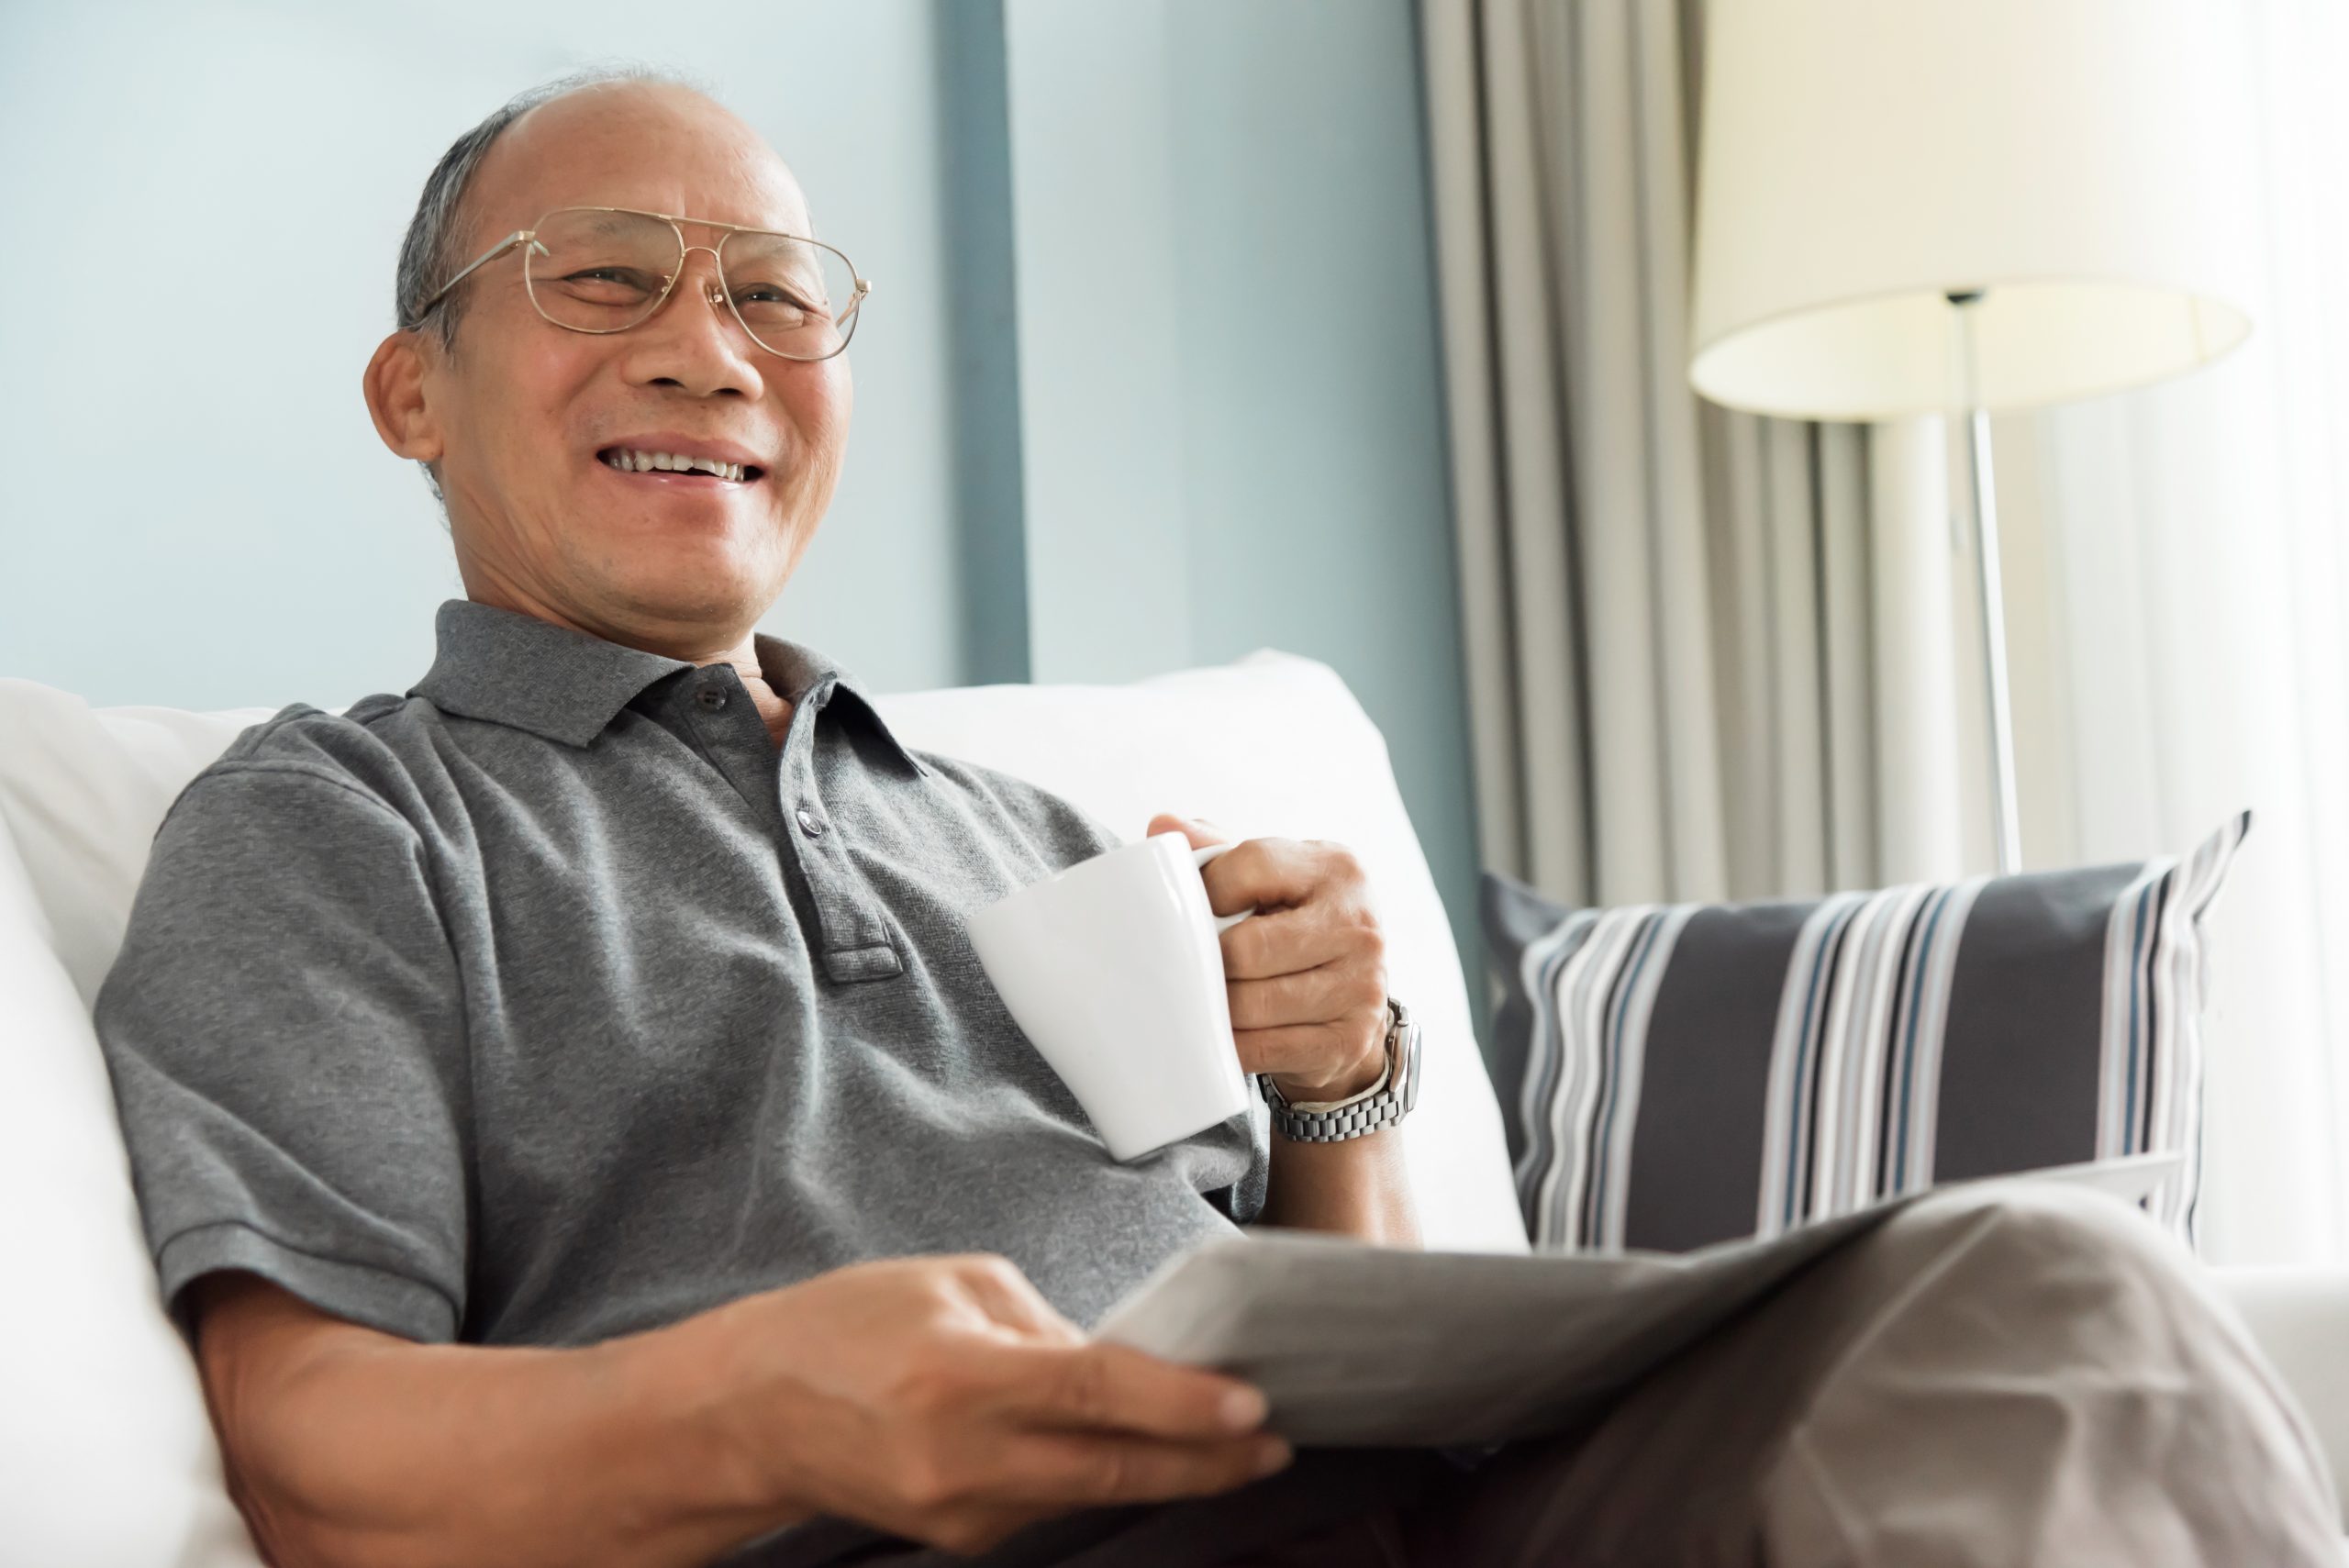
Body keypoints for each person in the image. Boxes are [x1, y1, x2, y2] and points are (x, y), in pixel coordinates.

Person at [93, 72, 2342, 1568]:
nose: (712, 350)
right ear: (415, 390)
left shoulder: (1029, 824)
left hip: (1386, 1507)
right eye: (605, 279)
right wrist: (766, 1406)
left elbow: (1340, 1323)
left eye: (775, 294)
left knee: (2047, 1290)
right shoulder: (340, 823)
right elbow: (309, 1445)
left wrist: (1338, 1083)